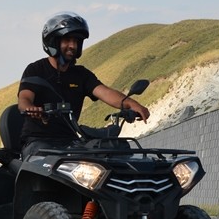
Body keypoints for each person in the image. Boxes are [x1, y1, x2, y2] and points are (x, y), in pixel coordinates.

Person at [17, 12, 150, 157]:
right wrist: (30, 108)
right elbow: (24, 98)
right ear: (53, 42)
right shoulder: (36, 70)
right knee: (51, 161)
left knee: (107, 157)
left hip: (71, 142)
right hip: (37, 142)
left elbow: (105, 92)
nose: (73, 46)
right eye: (67, 40)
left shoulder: (81, 74)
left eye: (76, 41)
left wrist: (131, 104)